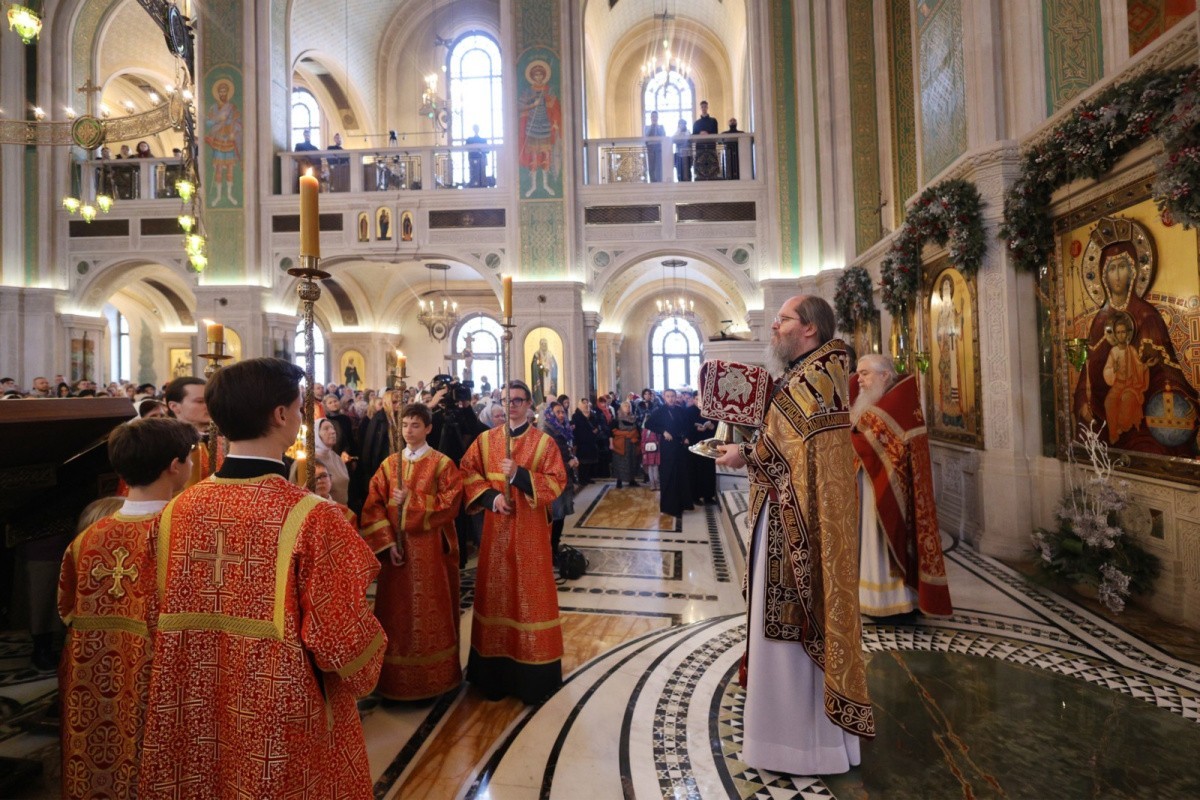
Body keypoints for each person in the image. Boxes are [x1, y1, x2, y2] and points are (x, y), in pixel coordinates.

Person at [139, 357, 385, 796]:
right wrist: (370, 664)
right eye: (299, 406)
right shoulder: (313, 517)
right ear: (281, 415)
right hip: (281, 712)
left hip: (193, 705)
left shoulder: (177, 511)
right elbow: (339, 638)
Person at [715, 295, 874, 775]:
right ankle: (801, 742)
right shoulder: (814, 374)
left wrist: (745, 455)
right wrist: (751, 450)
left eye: (782, 320)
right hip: (788, 518)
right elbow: (788, 447)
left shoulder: (813, 380)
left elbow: (790, 456)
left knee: (790, 632)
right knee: (781, 630)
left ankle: (796, 747)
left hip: (796, 529)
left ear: (809, 329)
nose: (774, 328)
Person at [58, 418, 198, 799]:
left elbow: (66, 609)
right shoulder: (186, 535)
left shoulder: (86, 540)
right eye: (189, 458)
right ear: (175, 466)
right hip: (163, 686)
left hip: (97, 690)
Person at [460, 380, 567, 703]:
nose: (512, 406)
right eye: (507, 400)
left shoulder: (544, 443)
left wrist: (519, 474)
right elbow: (467, 472)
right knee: (498, 594)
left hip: (530, 534)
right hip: (496, 532)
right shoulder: (485, 441)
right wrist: (491, 498)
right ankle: (493, 677)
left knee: (530, 596)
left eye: (518, 400)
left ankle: (534, 679)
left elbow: (557, 481)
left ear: (529, 404)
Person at [360, 403, 464, 700]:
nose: (409, 430)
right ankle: (394, 681)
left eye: (415, 425)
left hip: (430, 553)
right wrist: (388, 543)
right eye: (405, 424)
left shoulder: (442, 464)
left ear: (428, 428)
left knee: (431, 614)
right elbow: (372, 506)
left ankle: (435, 680)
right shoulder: (389, 465)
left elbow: (450, 504)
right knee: (398, 614)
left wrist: (413, 499)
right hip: (398, 556)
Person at [850, 354, 953, 617]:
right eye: (858, 373)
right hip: (871, 484)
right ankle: (872, 596)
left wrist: (845, 439)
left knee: (886, 540)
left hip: (888, 488)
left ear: (884, 375)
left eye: (865, 374)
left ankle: (890, 601)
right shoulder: (882, 400)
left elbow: (870, 444)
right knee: (872, 541)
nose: (859, 380)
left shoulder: (896, 402)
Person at [1073, 241, 1198, 455]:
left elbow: (1166, 368)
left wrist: (1170, 393)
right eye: (1112, 269)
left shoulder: (1147, 315)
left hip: (1143, 406)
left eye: (1122, 267)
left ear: (1133, 271)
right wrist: (1084, 400)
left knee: (1153, 445)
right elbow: (1088, 369)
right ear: (1103, 276)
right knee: (1089, 438)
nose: (1117, 275)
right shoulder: (1099, 321)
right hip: (1105, 408)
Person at [644, 389, 694, 517]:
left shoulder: (680, 410)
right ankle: (670, 507)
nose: (671, 399)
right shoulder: (660, 411)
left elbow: (687, 426)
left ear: (676, 397)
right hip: (667, 447)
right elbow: (648, 424)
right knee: (669, 474)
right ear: (664, 397)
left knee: (681, 474)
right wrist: (663, 431)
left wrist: (686, 436)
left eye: (672, 396)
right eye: (668, 396)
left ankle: (682, 504)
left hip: (680, 445)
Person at [164, 375, 219, 487]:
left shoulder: (223, 440)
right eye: (200, 401)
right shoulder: (165, 443)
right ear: (174, 406)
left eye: (210, 400)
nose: (208, 405)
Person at [518, 60, 562, 198]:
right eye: (536, 75)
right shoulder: (528, 92)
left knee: (546, 156)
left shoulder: (548, 90)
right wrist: (533, 104)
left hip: (545, 126)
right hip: (532, 126)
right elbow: (520, 107)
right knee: (533, 156)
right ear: (532, 76)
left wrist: (550, 103)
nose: (538, 77)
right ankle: (533, 186)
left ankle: (546, 185)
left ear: (543, 76)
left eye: (541, 75)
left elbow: (555, 107)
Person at [541, 401, 579, 555]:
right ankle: (551, 551)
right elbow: (549, 462)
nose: (562, 415)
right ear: (550, 414)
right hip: (553, 481)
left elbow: (564, 451)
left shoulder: (561, 429)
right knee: (556, 516)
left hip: (564, 478)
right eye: (558, 412)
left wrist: (572, 458)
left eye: (563, 412)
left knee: (560, 515)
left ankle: (554, 547)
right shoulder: (548, 433)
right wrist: (568, 464)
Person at [289, 418, 351, 504]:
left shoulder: (336, 458)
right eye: (326, 429)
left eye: (332, 428)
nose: (333, 431)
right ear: (315, 434)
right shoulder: (305, 461)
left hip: (342, 509)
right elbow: (294, 491)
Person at [204, 78, 242, 206]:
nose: (223, 94)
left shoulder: (232, 107)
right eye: (220, 92)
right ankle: (218, 196)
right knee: (219, 169)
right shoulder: (214, 108)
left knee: (230, 169)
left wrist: (234, 133)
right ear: (218, 93)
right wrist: (218, 118)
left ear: (228, 93)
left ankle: (230, 195)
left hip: (229, 142)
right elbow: (208, 123)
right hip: (218, 141)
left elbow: (238, 123)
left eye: (225, 91)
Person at [684, 390, 717, 505]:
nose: (700, 402)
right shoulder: (688, 411)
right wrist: (695, 429)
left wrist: (712, 426)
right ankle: (695, 496)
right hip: (694, 444)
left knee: (708, 470)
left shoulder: (710, 411)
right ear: (693, 399)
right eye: (697, 399)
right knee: (694, 470)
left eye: (702, 399)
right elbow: (685, 427)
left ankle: (708, 496)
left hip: (708, 444)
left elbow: (717, 426)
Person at [611, 399, 640, 489]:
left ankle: (632, 480)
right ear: (621, 408)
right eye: (625, 406)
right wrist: (627, 434)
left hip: (632, 444)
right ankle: (619, 481)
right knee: (620, 463)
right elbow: (612, 432)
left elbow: (637, 431)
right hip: (620, 444)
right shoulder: (616, 419)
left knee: (632, 462)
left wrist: (632, 435)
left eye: (628, 406)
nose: (627, 408)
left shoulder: (634, 418)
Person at [571, 397, 598, 486]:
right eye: (584, 403)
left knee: (589, 461)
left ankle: (587, 477)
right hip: (581, 441)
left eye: (587, 402)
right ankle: (581, 479)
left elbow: (597, 424)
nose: (586, 404)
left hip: (591, 440)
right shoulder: (576, 415)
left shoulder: (592, 414)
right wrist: (575, 442)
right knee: (582, 461)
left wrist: (597, 429)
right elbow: (574, 429)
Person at [692, 100, 719, 179]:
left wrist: (707, 133)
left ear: (707, 107)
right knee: (700, 167)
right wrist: (700, 133)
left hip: (711, 146)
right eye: (702, 107)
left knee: (712, 166)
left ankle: (713, 180)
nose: (704, 108)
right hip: (700, 147)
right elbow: (694, 135)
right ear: (700, 108)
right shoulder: (696, 123)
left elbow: (716, 133)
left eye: (705, 107)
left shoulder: (713, 121)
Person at [530, 338, 558, 407]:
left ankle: (549, 403)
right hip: (540, 376)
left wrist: (550, 368)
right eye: (542, 344)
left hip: (549, 376)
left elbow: (554, 365)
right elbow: (534, 365)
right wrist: (541, 368)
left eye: (545, 344)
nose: (544, 345)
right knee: (542, 390)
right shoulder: (537, 354)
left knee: (548, 390)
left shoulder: (550, 354)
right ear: (540, 345)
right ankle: (540, 403)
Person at [644, 110, 666, 182]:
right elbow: (646, 136)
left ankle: (659, 182)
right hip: (650, 148)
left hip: (659, 148)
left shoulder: (661, 127)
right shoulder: (647, 127)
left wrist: (657, 127)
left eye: (655, 116)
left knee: (659, 166)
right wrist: (651, 127)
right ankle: (652, 182)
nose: (654, 118)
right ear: (651, 118)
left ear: (657, 118)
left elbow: (663, 136)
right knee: (651, 166)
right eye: (653, 116)